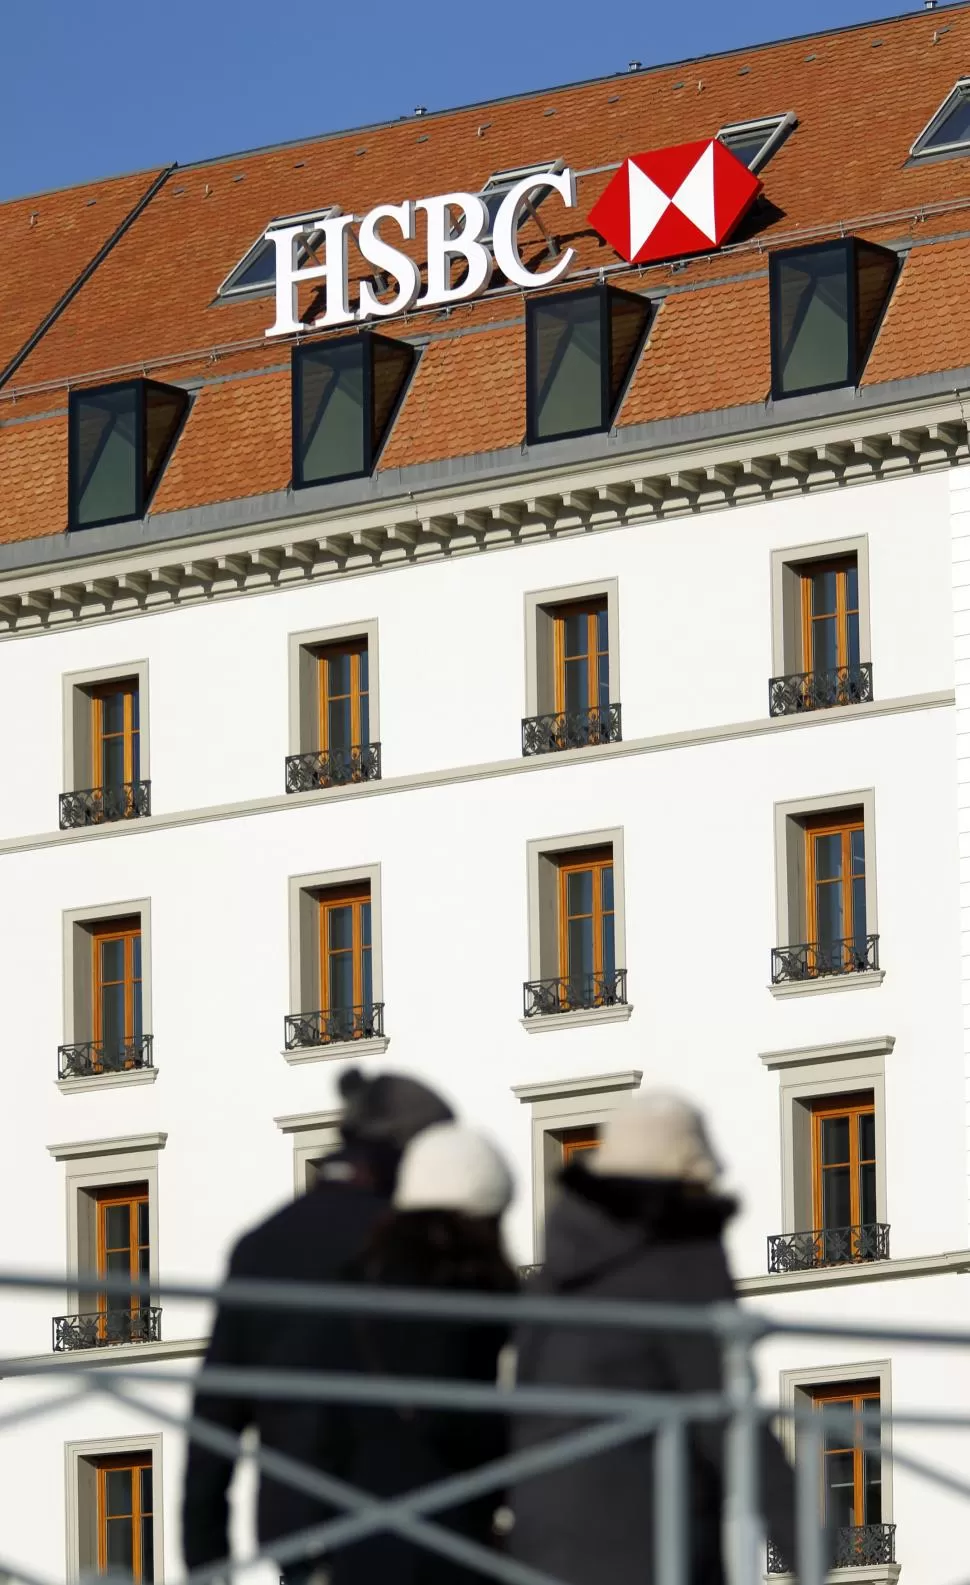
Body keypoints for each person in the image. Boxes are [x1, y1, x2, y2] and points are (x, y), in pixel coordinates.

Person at [509, 1091, 804, 1585]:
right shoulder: (681, 1256)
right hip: (651, 1543)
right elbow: (724, 1415)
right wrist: (804, 1545)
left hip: (547, 1548)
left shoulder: (558, 1270)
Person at [181, 1067, 454, 1577]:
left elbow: (214, 1420)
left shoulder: (261, 1244)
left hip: (299, 1538)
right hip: (409, 1533)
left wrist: (205, 1560)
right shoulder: (411, 1244)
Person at [323, 1122, 518, 1585]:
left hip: (362, 1533)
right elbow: (455, 1419)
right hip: (450, 1532)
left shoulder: (358, 1279)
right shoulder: (469, 1286)